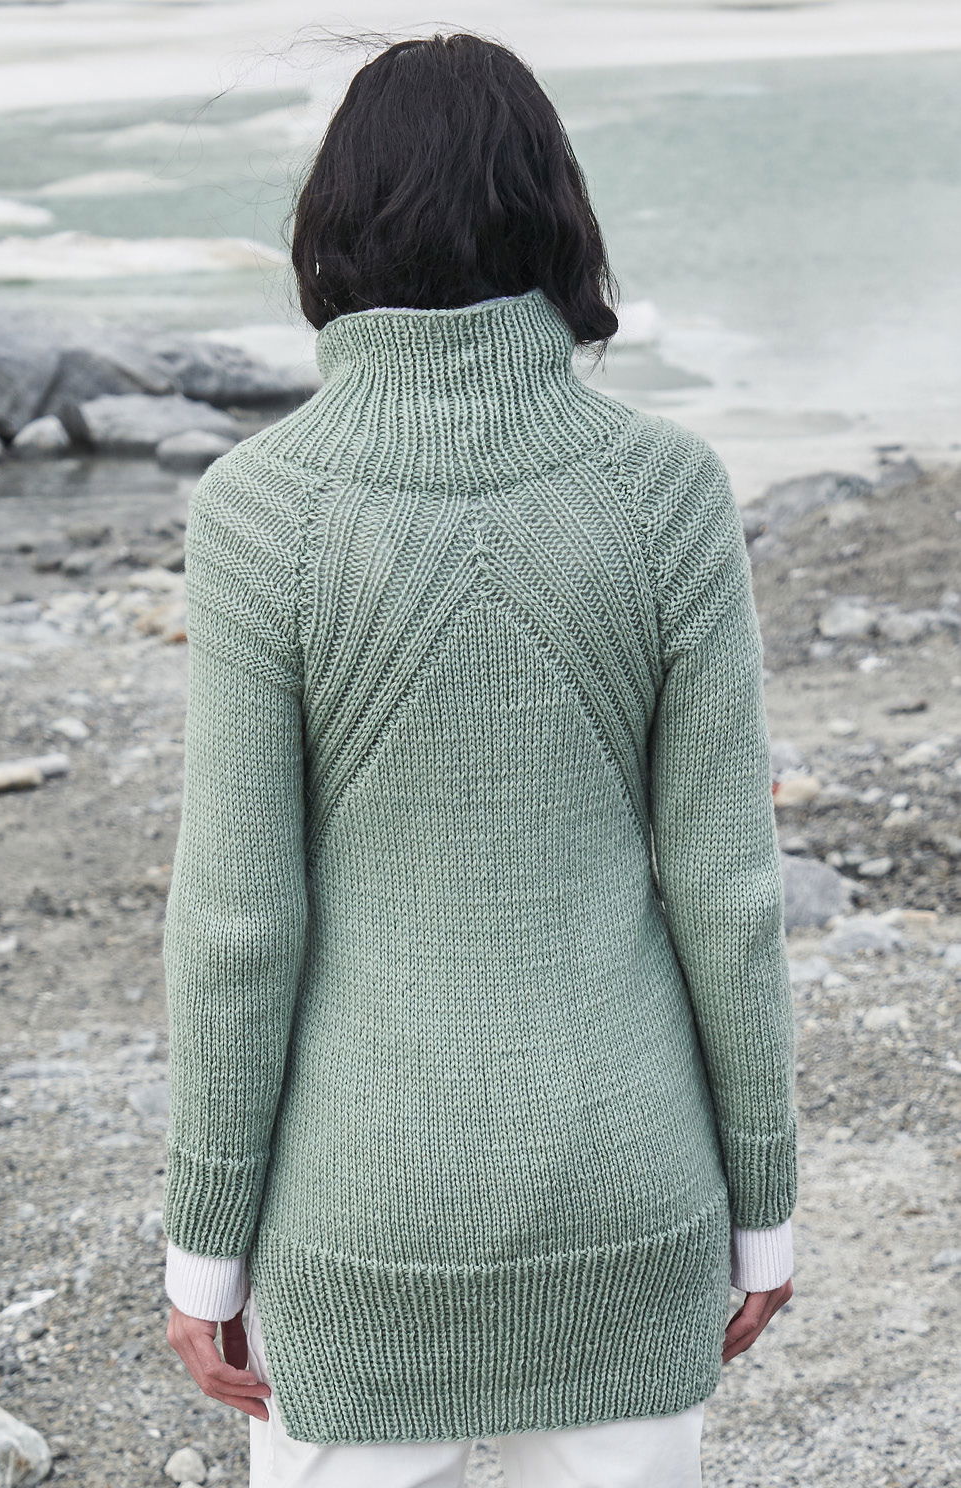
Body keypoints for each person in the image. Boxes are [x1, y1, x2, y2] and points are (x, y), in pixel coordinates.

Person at [160, 30, 798, 1488]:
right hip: (630, 1184)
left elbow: (239, 920)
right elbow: (728, 883)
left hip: (360, 1211)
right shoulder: (667, 491)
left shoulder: (258, 509)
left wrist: (205, 1252)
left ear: (331, 227)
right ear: (559, 217)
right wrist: (766, 1206)